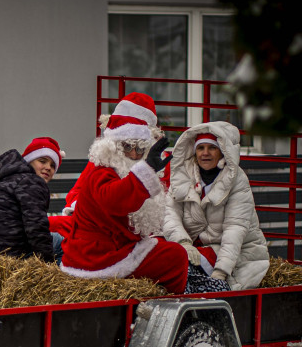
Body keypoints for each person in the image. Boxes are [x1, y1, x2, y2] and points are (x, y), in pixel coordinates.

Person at [59, 92, 229, 294]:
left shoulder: (118, 169)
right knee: (175, 256)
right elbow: (116, 199)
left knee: (167, 249)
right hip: (100, 258)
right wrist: (145, 171)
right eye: (127, 146)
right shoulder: (102, 171)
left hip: (109, 249)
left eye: (140, 149)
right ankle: (172, 301)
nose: (133, 154)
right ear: (112, 145)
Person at [163, 122, 269, 290]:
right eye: (200, 148)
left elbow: (235, 229)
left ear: (222, 151)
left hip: (235, 253)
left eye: (211, 148)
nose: (205, 153)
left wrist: (221, 271)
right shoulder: (183, 176)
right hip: (193, 248)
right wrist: (183, 242)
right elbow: (170, 214)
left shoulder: (237, 181)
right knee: (158, 255)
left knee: (179, 268)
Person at [0, 137, 63, 261]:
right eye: (42, 161)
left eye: (53, 166)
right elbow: (36, 227)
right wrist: (47, 267)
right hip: (11, 253)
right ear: (29, 161)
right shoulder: (32, 182)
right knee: (62, 243)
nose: (48, 167)